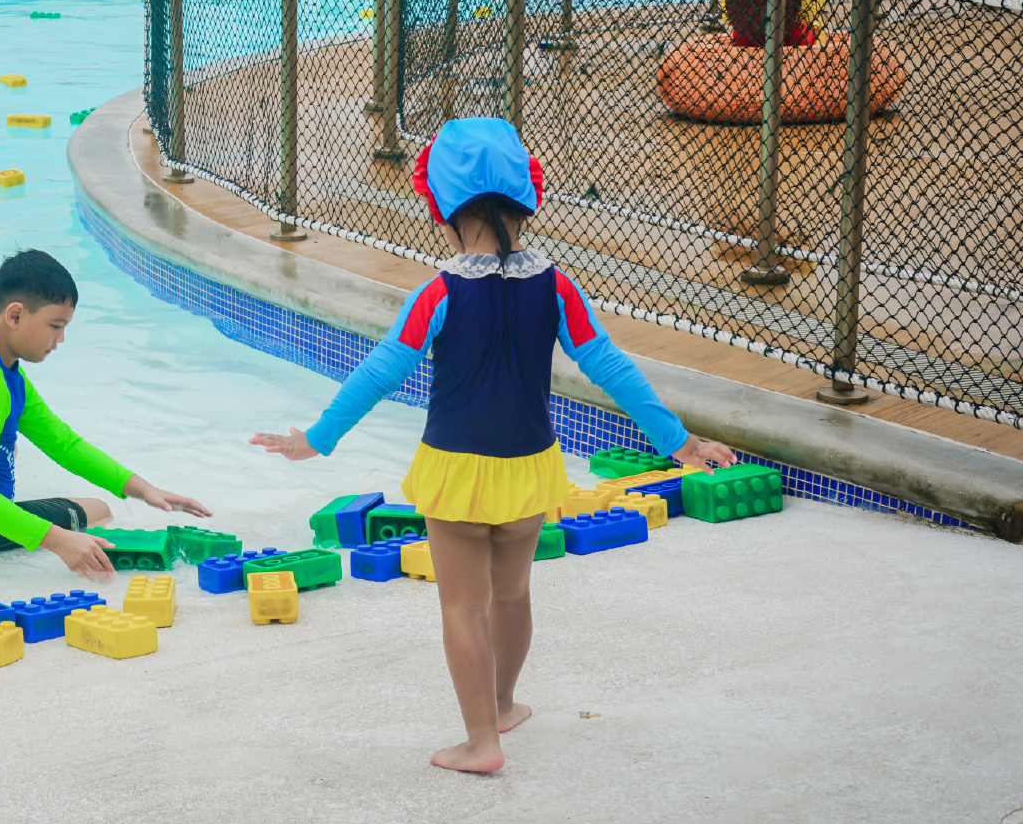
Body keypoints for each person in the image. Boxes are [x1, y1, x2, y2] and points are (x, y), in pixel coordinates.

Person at [251, 119, 736, 774]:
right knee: (511, 595)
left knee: (462, 606)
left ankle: (482, 743)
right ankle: (504, 705)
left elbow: (382, 371)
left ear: (443, 209)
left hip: (456, 470)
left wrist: (318, 438)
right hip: (530, 466)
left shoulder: (439, 293)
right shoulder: (557, 287)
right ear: (525, 198)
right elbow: (610, 367)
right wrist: (680, 442)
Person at [0, 249, 210, 582]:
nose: (60, 339)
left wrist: (143, 489)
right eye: (55, 326)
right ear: (15, 315)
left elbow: (62, 443)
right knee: (99, 511)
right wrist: (60, 541)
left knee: (7, 443)